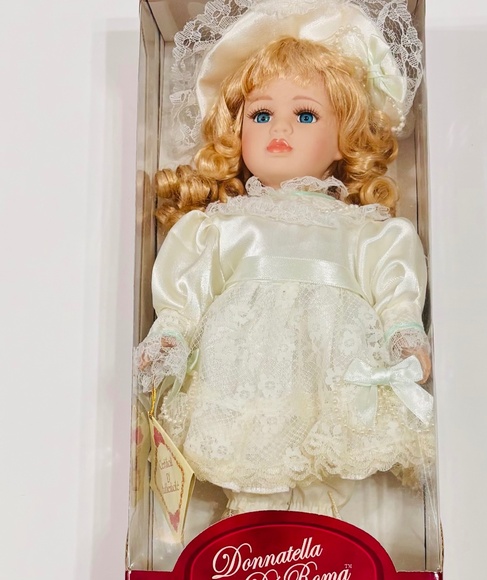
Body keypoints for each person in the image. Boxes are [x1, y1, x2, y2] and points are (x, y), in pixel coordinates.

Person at [135, 0, 434, 519]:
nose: (281, 128)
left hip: (333, 365)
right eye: (261, 114)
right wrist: (171, 335)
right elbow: (190, 288)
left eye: (305, 114)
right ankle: (248, 538)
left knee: (327, 477)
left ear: (344, 138)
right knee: (251, 467)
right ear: (237, 129)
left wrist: (403, 331)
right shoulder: (223, 224)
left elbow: (392, 279)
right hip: (243, 369)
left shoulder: (361, 228)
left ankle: (323, 543)